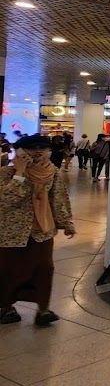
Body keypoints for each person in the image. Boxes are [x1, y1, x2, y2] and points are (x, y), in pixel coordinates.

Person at [0, 134, 76, 326]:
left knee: (45, 268)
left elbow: (58, 199)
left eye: (42, 148)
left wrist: (66, 222)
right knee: (9, 270)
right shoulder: (6, 174)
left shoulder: (52, 172)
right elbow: (5, 201)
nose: (38, 152)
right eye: (33, 148)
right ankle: (6, 307)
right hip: (11, 231)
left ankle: (43, 309)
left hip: (42, 231)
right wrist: (20, 173)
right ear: (21, 151)